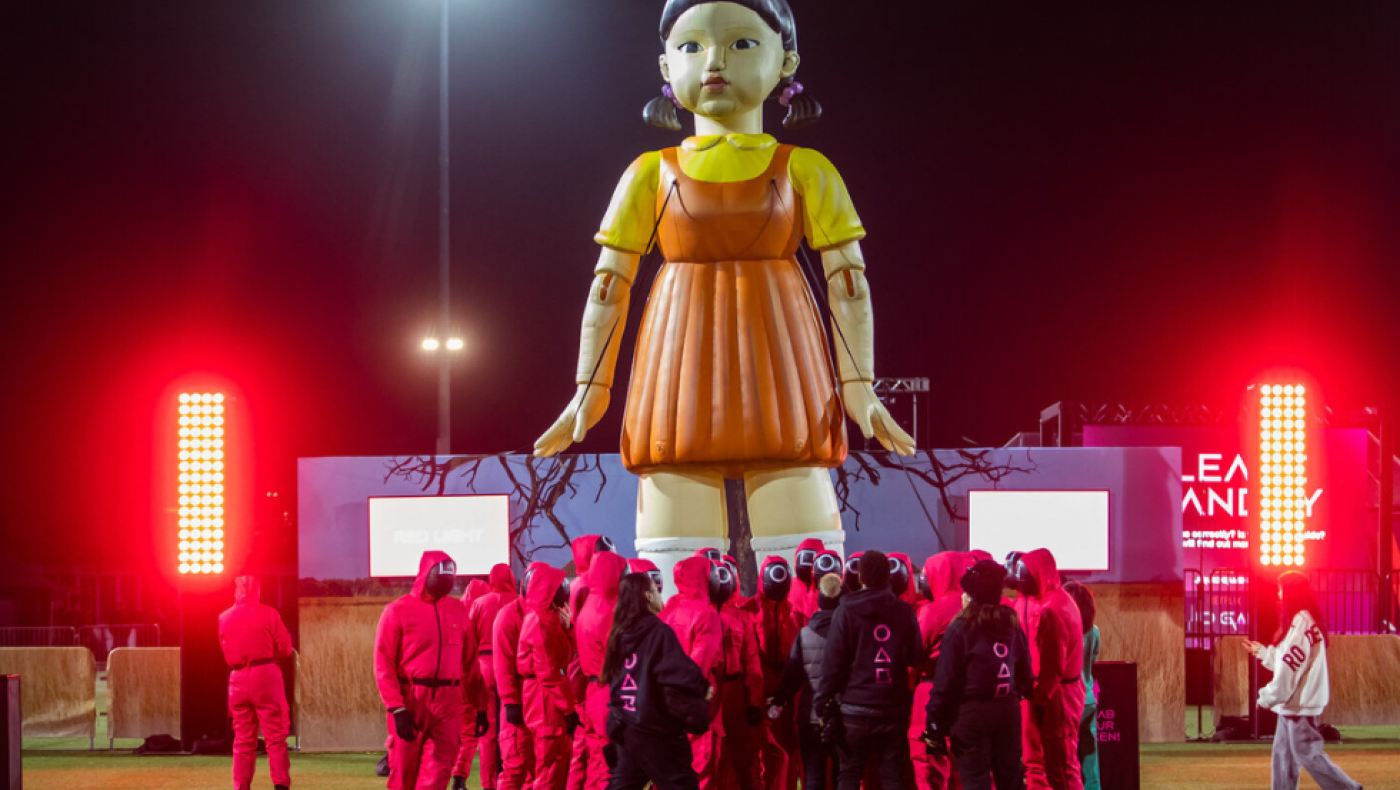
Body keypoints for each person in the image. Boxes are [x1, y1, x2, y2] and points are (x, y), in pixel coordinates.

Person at [532, 0, 915, 586]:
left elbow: (849, 284)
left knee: (799, 536)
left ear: (786, 61)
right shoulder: (649, 173)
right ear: (665, 64)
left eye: (739, 43)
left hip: (782, 355)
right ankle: (692, 656)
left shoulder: (804, 168)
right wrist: (589, 390)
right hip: (678, 357)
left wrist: (860, 389)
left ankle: (798, 655)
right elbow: (608, 287)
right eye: (691, 46)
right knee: (678, 543)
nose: (712, 60)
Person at [814, 551, 922, 790]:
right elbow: (916, 655)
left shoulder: (846, 611)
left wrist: (822, 702)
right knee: (892, 774)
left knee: (850, 772)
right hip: (893, 706)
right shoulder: (903, 611)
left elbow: (833, 662)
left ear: (860, 576)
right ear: (889, 576)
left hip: (855, 706)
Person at [1245, 571, 1362, 790]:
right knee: (1284, 756)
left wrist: (1266, 697)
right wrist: (1262, 652)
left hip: (1298, 704)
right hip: (1294, 704)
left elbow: (1288, 673)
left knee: (1308, 754)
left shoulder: (1300, 626)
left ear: (1291, 594)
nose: (1278, 597)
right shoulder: (1305, 623)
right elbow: (1287, 663)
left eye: (1281, 591)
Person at [923, 560, 1032, 790]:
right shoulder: (1012, 622)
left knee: (976, 783)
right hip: (1007, 711)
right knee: (1011, 780)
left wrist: (935, 721)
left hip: (970, 715)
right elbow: (1025, 675)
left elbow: (946, 681)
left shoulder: (961, 627)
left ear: (970, 594)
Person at [375, 551, 477, 790]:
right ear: (425, 574)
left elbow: (470, 663)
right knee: (403, 775)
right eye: (442, 573)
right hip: (411, 700)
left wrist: (478, 707)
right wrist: (396, 707)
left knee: (438, 775)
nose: (448, 580)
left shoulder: (459, 611)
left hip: (449, 702)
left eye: (451, 574)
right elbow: (383, 662)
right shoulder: (397, 611)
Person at [603, 573, 714, 790]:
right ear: (646, 596)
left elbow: (615, 681)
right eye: (655, 590)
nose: (659, 594)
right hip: (654, 730)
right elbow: (677, 670)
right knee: (682, 784)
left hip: (626, 727)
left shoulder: (619, 634)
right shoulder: (657, 631)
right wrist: (702, 687)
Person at [1007, 550, 1083, 790]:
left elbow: (1053, 664)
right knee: (1054, 764)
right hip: (1055, 693)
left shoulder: (1053, 608)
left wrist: (1039, 697)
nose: (1020, 578)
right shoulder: (1057, 601)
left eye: (1023, 573)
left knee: (1060, 767)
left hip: (1054, 696)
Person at [217, 575, 294, 790]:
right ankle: (280, 784)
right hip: (266, 676)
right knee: (276, 738)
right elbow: (285, 649)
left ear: (235, 592)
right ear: (257, 592)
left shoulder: (224, 617)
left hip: (237, 679)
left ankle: (241, 786)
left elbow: (224, 650)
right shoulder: (269, 614)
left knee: (242, 740)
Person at [771, 572, 843, 790]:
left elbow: (791, 675)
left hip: (810, 716)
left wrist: (778, 700)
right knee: (843, 774)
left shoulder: (804, 635)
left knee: (813, 775)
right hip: (842, 714)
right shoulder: (849, 633)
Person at [661, 556, 726, 790]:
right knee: (700, 773)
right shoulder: (707, 615)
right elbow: (699, 664)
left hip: (664, 704)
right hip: (694, 705)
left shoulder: (667, 610)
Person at [910, 552, 974, 790]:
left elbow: (916, 654)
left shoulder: (933, 611)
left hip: (932, 690)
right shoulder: (977, 608)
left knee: (930, 765)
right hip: (968, 696)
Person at [518, 565, 581, 790]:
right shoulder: (539, 620)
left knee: (556, 765)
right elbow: (550, 671)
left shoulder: (547, 617)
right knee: (550, 767)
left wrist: (569, 627)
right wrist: (568, 709)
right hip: (545, 703)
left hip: (548, 700)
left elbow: (568, 654)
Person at [709, 554, 765, 790]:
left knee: (744, 755)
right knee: (711, 755)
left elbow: (752, 663)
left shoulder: (740, 618)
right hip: (709, 692)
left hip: (734, 691)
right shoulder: (699, 615)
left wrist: (754, 701)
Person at [578, 551, 633, 790]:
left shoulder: (587, 607)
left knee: (597, 759)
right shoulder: (609, 611)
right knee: (610, 764)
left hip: (593, 690)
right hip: (611, 692)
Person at [468, 564, 520, 790]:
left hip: (484, 665)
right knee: (513, 728)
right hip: (512, 666)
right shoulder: (518, 603)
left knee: (488, 733)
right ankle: (511, 779)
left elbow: (469, 640)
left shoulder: (479, 604)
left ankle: (488, 785)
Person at [496, 563, 548, 790]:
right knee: (516, 764)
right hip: (519, 699)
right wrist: (510, 701)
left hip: (542, 701)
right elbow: (503, 662)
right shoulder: (508, 616)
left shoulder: (549, 612)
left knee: (539, 765)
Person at [755, 556, 804, 790]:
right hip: (762, 683)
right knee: (765, 748)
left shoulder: (793, 613)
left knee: (787, 746)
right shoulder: (751, 611)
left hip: (787, 685)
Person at [455, 578, 493, 790]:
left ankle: (457, 777)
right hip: (475, 676)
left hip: (452, 681)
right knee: (474, 733)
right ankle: (460, 778)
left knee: (459, 733)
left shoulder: (456, 614)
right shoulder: (484, 612)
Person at [1060, 582, 1099, 790]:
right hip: (1089, 700)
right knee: (1090, 762)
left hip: (1067, 700)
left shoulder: (1062, 630)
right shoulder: (1094, 632)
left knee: (1066, 761)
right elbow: (1092, 661)